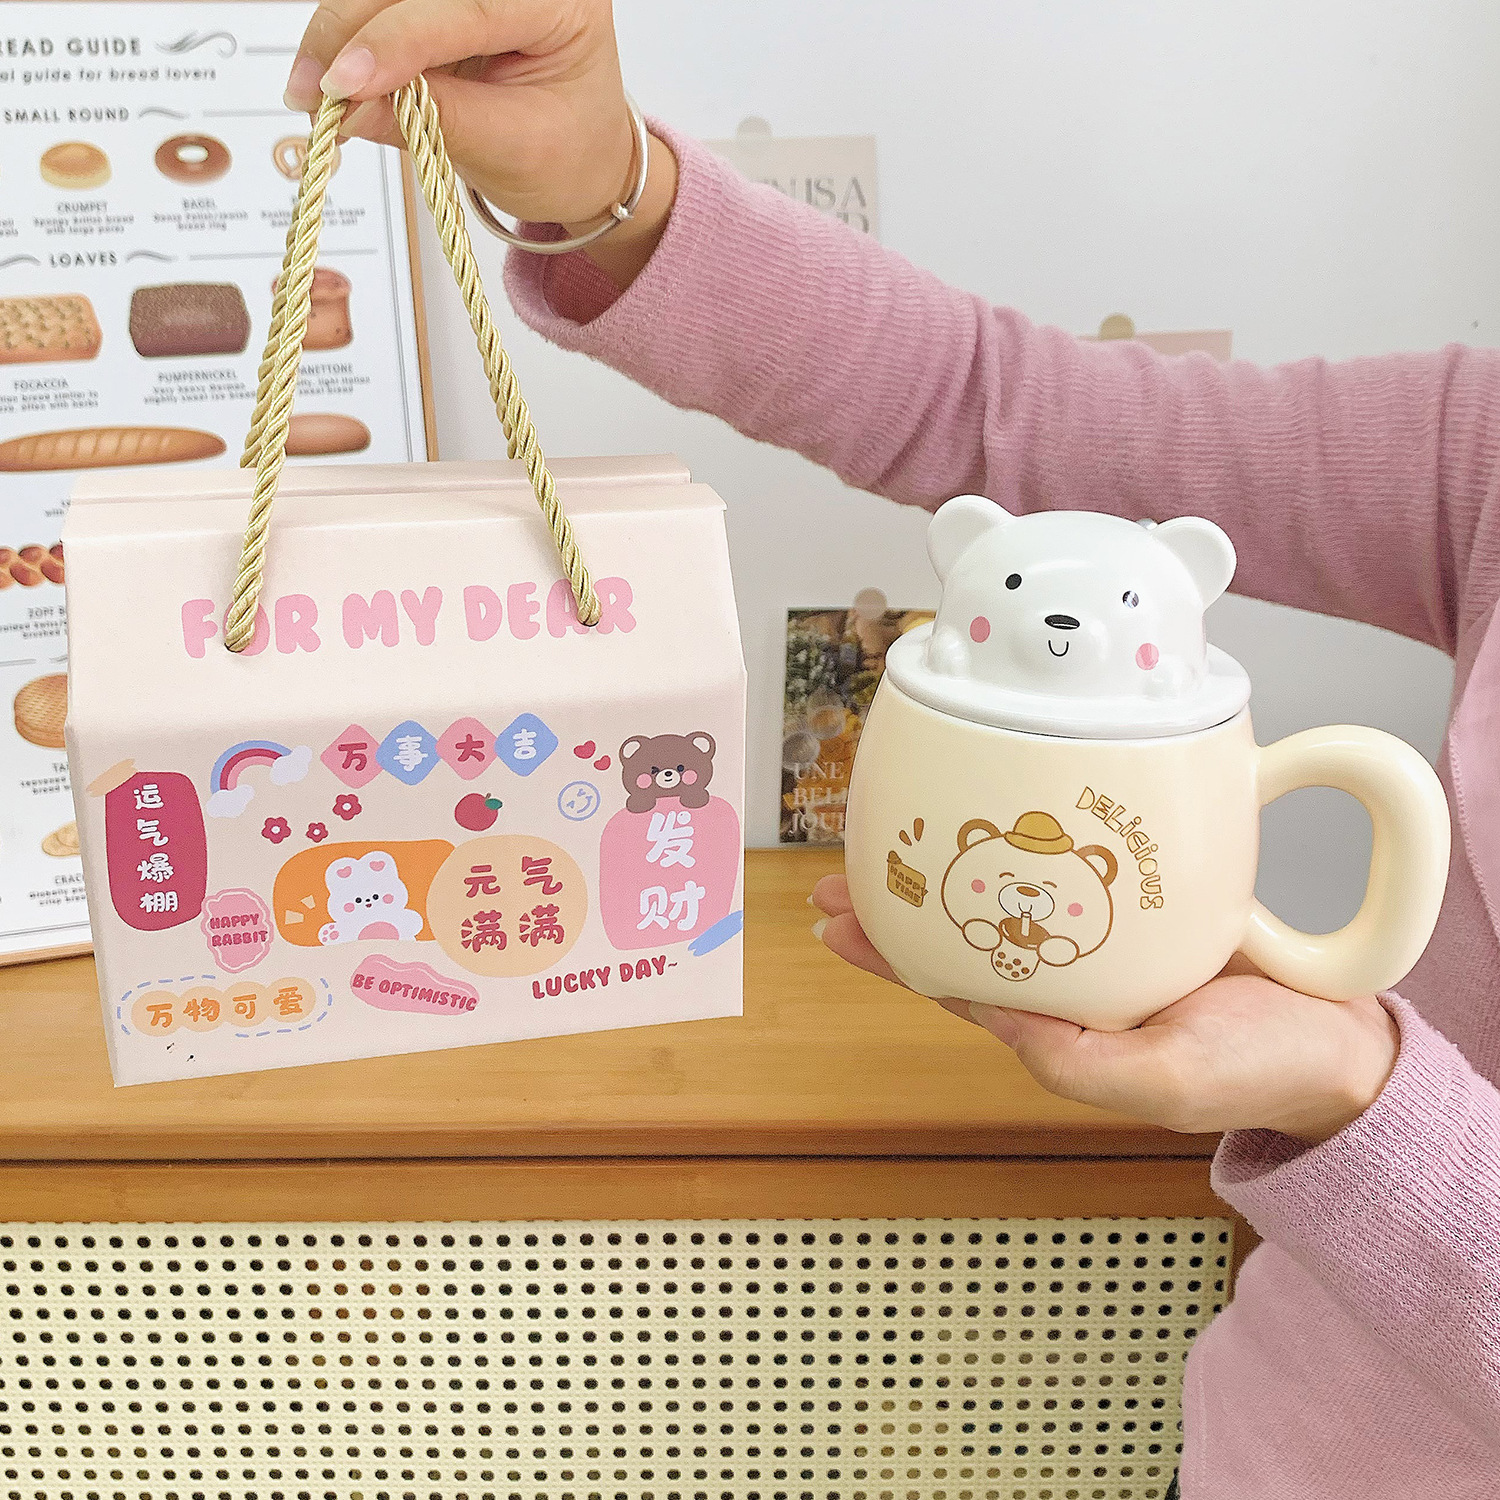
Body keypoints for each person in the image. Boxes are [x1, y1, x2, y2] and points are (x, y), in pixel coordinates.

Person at [284, 4, 1500, 1494]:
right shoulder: (1483, 445)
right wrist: (604, 181)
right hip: (1264, 1441)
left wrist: (1365, 1096)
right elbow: (995, 408)